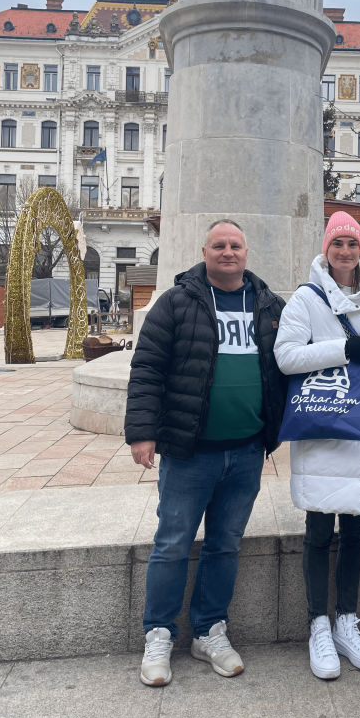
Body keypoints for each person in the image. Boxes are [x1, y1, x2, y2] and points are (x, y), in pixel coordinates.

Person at [125, 220, 286, 688]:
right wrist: (142, 433)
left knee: (225, 543)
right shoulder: (177, 302)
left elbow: (288, 365)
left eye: (235, 245)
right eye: (219, 245)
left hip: (247, 451)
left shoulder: (269, 305)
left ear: (246, 252)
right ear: (204, 252)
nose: (228, 252)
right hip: (189, 452)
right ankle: (158, 634)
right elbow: (147, 368)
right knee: (173, 542)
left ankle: (209, 630)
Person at [274, 211, 360, 680]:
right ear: (326, 249)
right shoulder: (306, 298)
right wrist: (341, 351)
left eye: (352, 244)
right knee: (318, 529)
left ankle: (346, 622)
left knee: (355, 529)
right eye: (338, 244)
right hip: (325, 420)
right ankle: (318, 624)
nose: (346, 252)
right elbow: (286, 356)